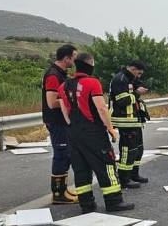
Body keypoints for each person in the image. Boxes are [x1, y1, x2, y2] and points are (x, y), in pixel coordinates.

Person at [58, 52, 134, 213]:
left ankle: (87, 204)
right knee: (106, 165)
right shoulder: (92, 83)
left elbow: (65, 111)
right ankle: (114, 201)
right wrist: (111, 129)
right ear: (90, 65)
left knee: (80, 168)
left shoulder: (63, 85)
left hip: (73, 132)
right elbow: (101, 108)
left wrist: (71, 125)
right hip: (93, 131)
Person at [42, 44, 79, 204]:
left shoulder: (61, 74)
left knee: (66, 155)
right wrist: (72, 100)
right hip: (56, 121)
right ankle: (58, 194)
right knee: (61, 154)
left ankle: (63, 190)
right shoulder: (53, 75)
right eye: (74, 57)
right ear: (66, 58)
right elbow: (51, 102)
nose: (75, 60)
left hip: (62, 121)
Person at [109, 60, 149, 188]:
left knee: (138, 149)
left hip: (134, 120)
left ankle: (134, 174)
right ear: (132, 69)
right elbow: (122, 100)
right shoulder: (120, 79)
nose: (139, 76)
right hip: (125, 121)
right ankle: (124, 178)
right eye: (139, 73)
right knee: (128, 150)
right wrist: (138, 93)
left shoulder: (129, 79)